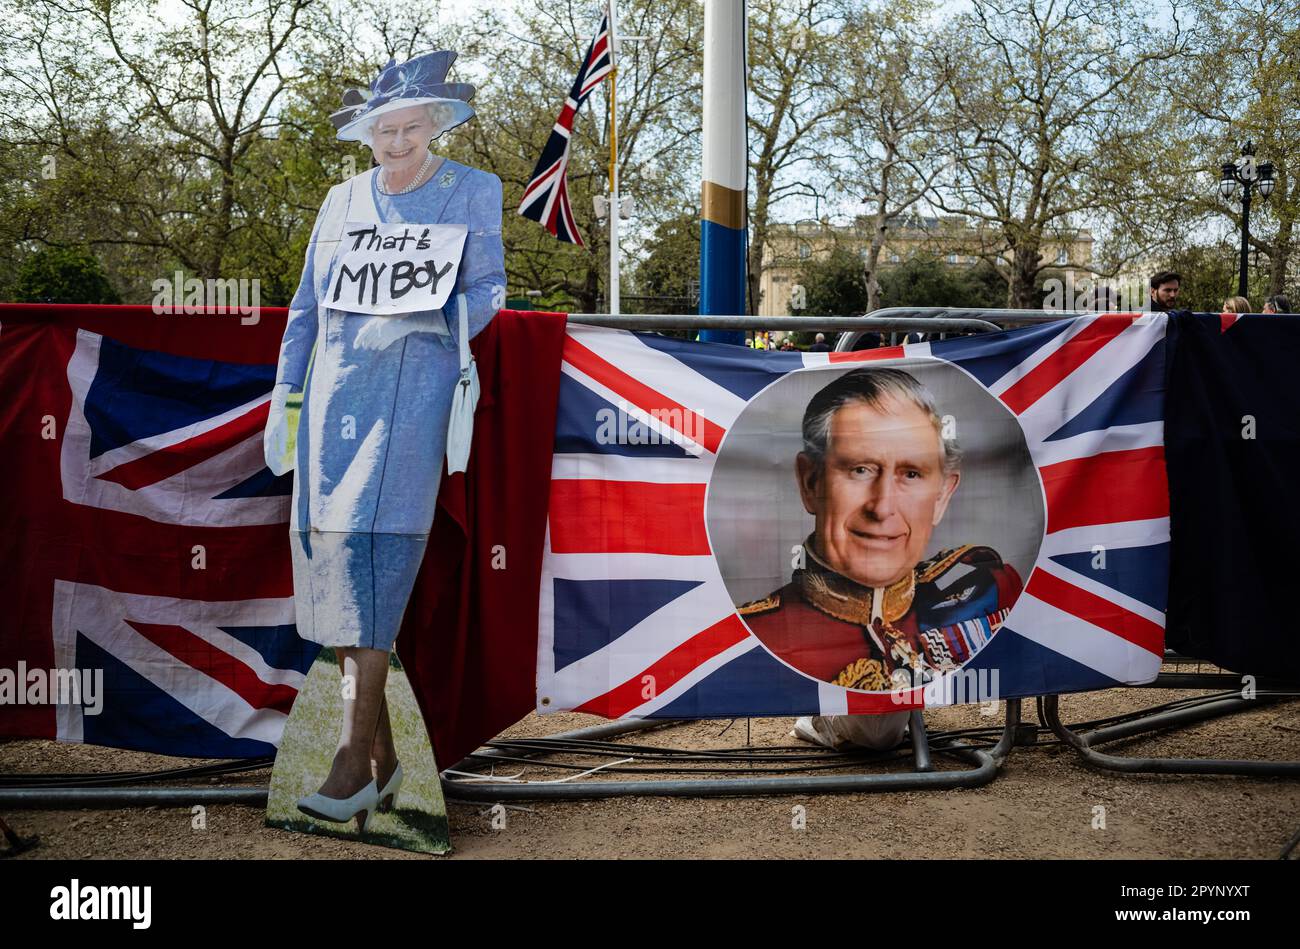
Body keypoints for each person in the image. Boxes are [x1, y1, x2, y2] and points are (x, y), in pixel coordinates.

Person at [262, 50, 505, 833]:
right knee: (337, 556)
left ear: (437, 125)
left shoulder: (474, 191)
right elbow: (305, 307)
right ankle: (387, 763)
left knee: (382, 550)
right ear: (366, 134)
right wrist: (286, 390)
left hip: (413, 398)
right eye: (384, 130)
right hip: (332, 400)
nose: (398, 142)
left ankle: (346, 756)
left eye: (411, 127)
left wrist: (442, 324)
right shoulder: (337, 202)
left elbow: (489, 289)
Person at [738, 367, 1023, 749]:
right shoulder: (754, 631)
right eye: (860, 469)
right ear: (810, 483)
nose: (882, 506)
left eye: (911, 474)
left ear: (941, 496)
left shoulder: (986, 590)